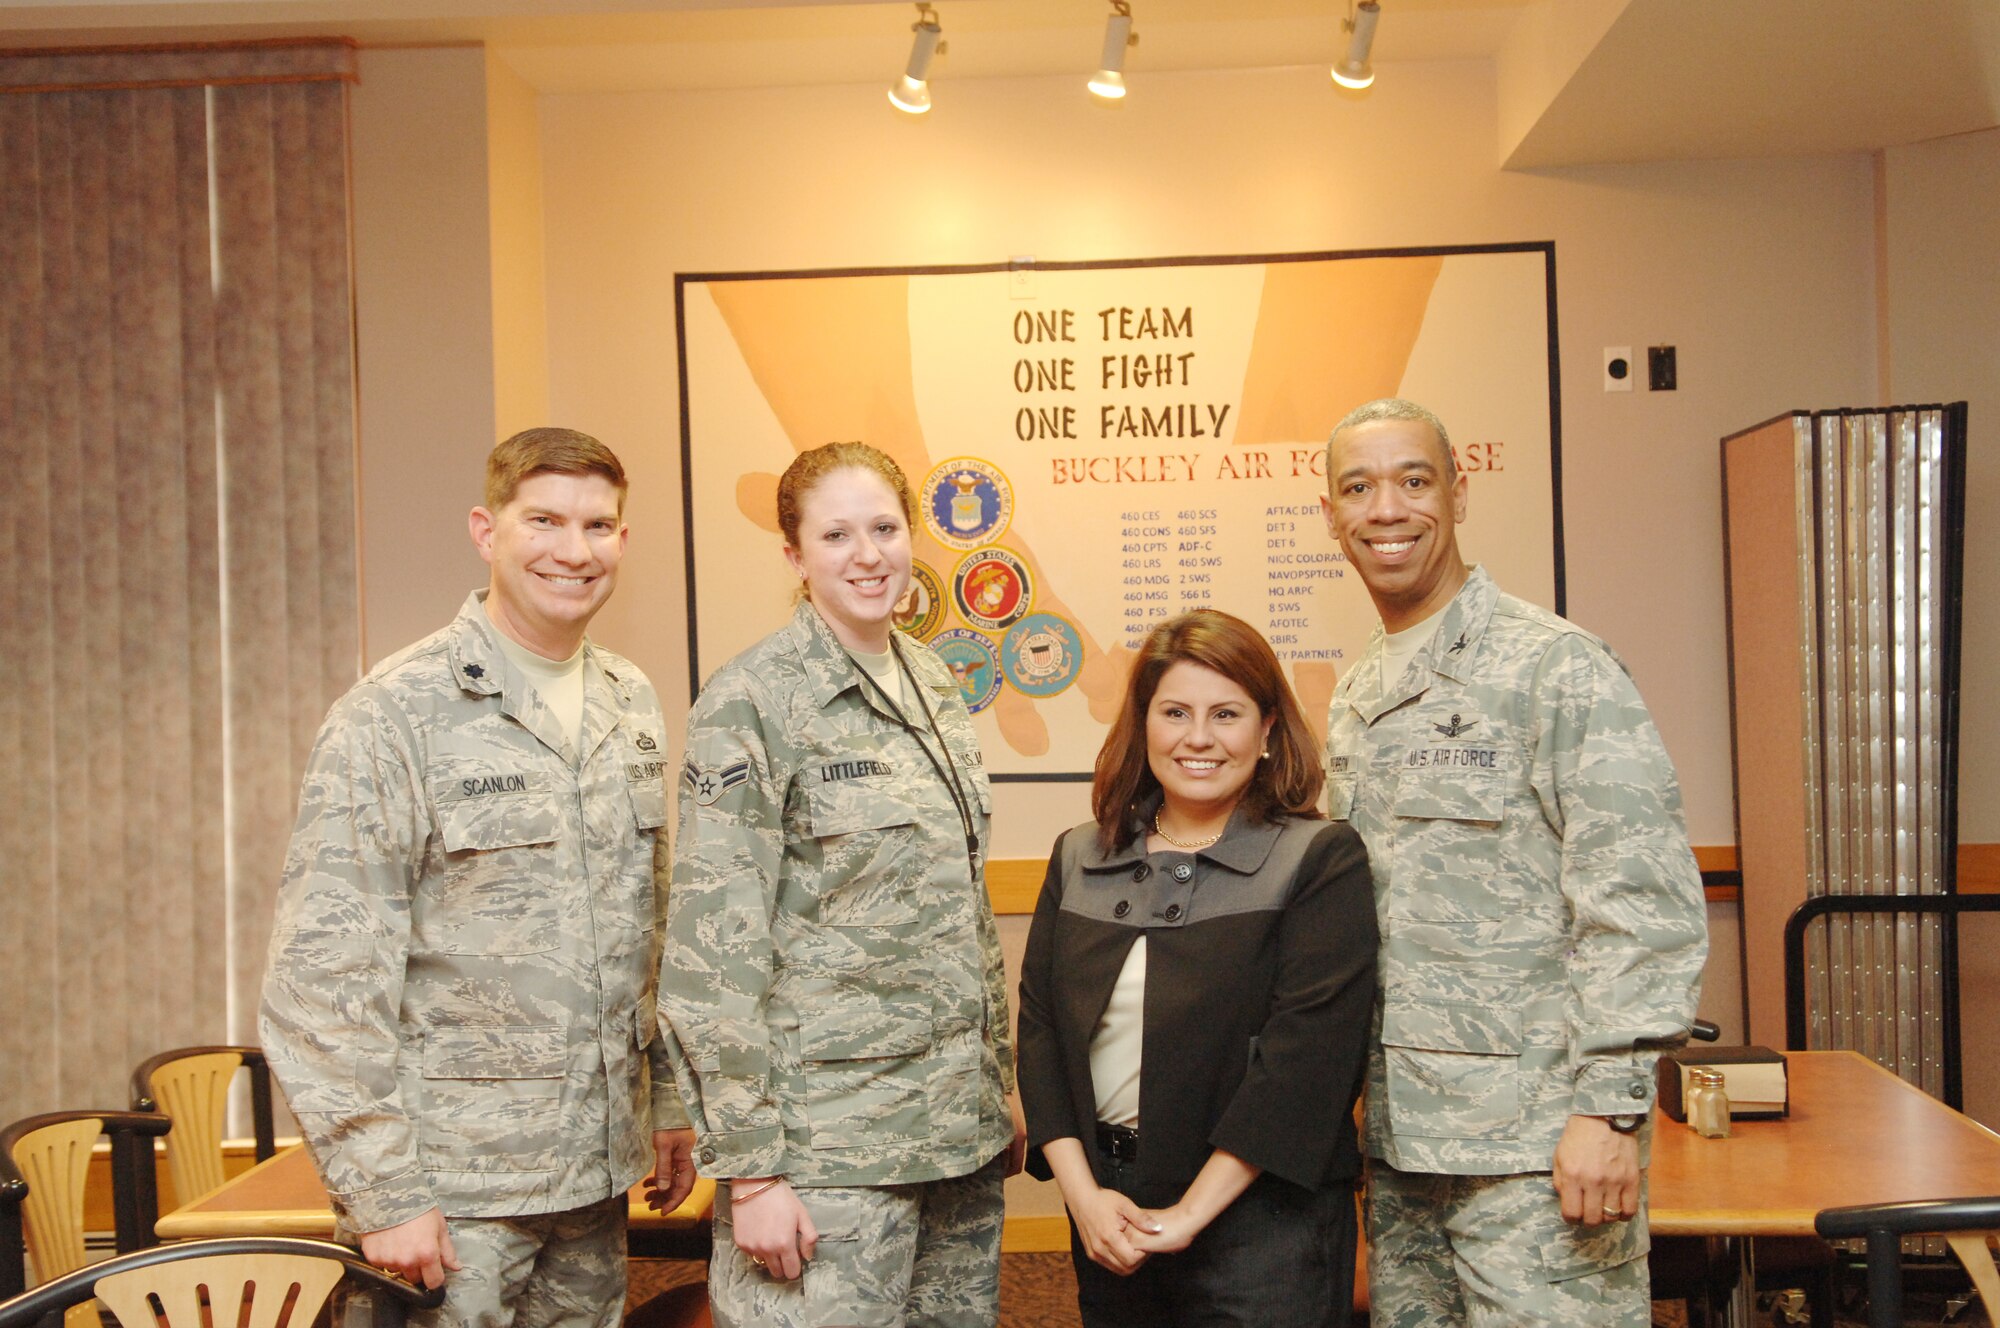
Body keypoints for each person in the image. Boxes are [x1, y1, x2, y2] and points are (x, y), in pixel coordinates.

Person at [260, 428, 693, 1328]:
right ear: (486, 531)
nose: (573, 551)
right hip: (453, 1194)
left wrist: (666, 1099)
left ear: (623, 540)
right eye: (543, 520)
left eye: (599, 525)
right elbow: (321, 981)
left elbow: (649, 930)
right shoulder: (394, 712)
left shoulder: (630, 703)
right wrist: (382, 1192)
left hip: (593, 1177)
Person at [1318, 398, 1708, 1326]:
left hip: (1539, 1151)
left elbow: (1640, 901)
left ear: (1459, 490)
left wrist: (1610, 1113)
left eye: (1414, 480)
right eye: (1358, 487)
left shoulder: (1555, 668)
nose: (1387, 509)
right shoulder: (1362, 689)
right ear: (1329, 512)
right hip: (1409, 1149)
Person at [660, 441, 1025, 1328]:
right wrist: (750, 1171)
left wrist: (996, 1085)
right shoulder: (752, 701)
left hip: (955, 1139)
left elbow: (959, 912)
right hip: (827, 1154)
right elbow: (714, 953)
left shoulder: (934, 682)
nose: (868, 555)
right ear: (794, 556)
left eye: (884, 528)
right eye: (836, 534)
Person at [1016, 609, 1378, 1328]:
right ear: (1143, 723)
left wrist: (1187, 1215)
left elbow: (1305, 1066)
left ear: (1269, 728)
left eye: (1227, 713)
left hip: (1265, 1222)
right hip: (1108, 1209)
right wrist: (1084, 1196)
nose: (1199, 738)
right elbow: (1040, 1036)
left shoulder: (1319, 858)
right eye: (1175, 712)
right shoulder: (1077, 854)